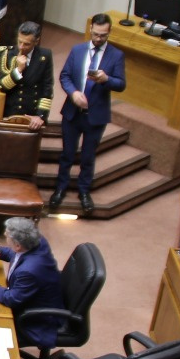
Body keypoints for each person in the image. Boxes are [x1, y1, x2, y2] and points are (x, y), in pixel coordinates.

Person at [52, 13, 125, 215]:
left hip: (96, 114)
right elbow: (65, 75)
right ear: (90, 29)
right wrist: (73, 93)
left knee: (88, 156)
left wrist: (107, 79)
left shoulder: (116, 55)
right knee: (67, 153)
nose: (98, 38)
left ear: (109, 32)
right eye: (95, 34)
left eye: (103, 35)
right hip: (73, 112)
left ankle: (84, 191)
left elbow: (121, 84)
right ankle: (60, 188)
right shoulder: (78, 50)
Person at [0, 218, 66, 351]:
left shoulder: (29, 271)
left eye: (6, 237)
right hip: (41, 297)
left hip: (38, 318)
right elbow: (17, 255)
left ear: (17, 245)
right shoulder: (37, 241)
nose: (4, 236)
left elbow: (11, 299)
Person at [0, 20, 54, 131]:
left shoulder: (45, 56)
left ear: (36, 41)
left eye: (27, 44)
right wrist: (18, 70)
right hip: (9, 113)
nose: (22, 47)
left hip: (31, 114)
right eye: (20, 42)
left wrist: (40, 116)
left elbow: (47, 89)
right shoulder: (7, 54)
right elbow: (2, 86)